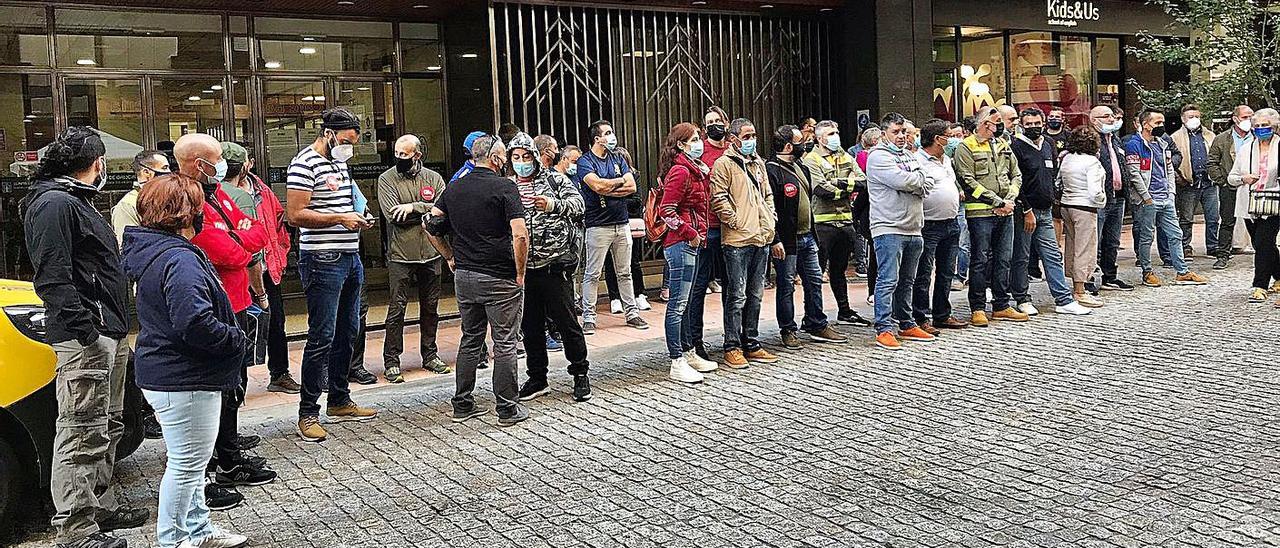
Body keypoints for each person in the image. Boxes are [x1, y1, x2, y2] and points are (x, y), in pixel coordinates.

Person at [22, 127, 148, 548]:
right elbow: (53, 277)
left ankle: (99, 508)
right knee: (80, 429)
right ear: (94, 163)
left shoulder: (73, 200)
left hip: (107, 331)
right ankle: (76, 530)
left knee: (106, 425)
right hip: (88, 338)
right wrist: (86, 332)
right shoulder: (55, 204)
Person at [120, 174, 251, 548]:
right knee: (188, 464)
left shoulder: (156, 252)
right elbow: (193, 321)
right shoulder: (179, 259)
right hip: (185, 378)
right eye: (198, 207)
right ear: (185, 213)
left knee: (190, 460)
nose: (204, 214)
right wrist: (235, 340)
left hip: (171, 374)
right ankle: (175, 539)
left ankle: (198, 530)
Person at [175, 135, 277, 500]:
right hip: (215, 305)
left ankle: (229, 458)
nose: (222, 166)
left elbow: (257, 233)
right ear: (198, 163)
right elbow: (229, 252)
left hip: (237, 301)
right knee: (213, 389)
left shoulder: (215, 192)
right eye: (216, 160)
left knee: (234, 385)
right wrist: (240, 237)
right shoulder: (184, 198)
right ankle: (216, 468)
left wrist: (240, 235)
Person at [285, 107, 380, 443]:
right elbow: (295, 214)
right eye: (344, 141)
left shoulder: (338, 163)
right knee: (321, 335)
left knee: (349, 330)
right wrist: (340, 219)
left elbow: (345, 199)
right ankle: (308, 411)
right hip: (322, 258)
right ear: (327, 133)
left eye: (352, 143)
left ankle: (339, 400)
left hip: (350, 255)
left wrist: (358, 214)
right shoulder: (303, 163)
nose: (348, 148)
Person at [424, 134, 531, 426]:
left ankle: (462, 403)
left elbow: (431, 226)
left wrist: (448, 256)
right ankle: (508, 408)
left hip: (465, 276)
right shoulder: (505, 187)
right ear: (496, 159)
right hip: (499, 276)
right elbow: (520, 234)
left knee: (470, 339)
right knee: (505, 341)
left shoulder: (454, 187)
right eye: (505, 157)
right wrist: (520, 271)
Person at [502, 133, 593, 402]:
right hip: (524, 269)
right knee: (530, 327)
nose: (521, 163)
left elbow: (579, 205)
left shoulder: (554, 180)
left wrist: (553, 205)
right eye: (516, 158)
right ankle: (537, 377)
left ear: (535, 157)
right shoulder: (507, 186)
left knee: (566, 323)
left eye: (526, 157)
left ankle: (580, 373)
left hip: (555, 266)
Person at [221, 147, 297, 394]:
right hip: (238, 271)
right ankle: (236, 385)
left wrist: (281, 253)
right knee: (237, 326)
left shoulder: (262, 189)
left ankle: (280, 373)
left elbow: (279, 222)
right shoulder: (219, 195)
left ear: (250, 164)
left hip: (267, 268)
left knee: (276, 322)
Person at [376, 134, 450, 383]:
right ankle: (391, 360)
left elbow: (444, 209)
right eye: (396, 154)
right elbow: (391, 215)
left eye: (404, 155)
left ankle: (430, 355)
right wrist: (425, 211)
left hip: (431, 252)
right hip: (401, 254)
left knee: (431, 308)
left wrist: (412, 207)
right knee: (397, 308)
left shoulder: (434, 178)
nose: (399, 158)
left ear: (417, 155)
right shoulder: (386, 179)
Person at [768, 124, 847, 349]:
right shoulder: (772, 170)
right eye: (800, 141)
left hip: (807, 235)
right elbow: (770, 207)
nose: (805, 144)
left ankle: (816, 322)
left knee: (814, 281)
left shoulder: (800, 166)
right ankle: (788, 329)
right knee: (786, 286)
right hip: (787, 239)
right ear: (787, 146)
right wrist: (775, 238)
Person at [710, 117, 780, 368]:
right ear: (733, 139)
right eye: (747, 136)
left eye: (753, 135)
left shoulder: (758, 162)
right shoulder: (724, 164)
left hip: (761, 236)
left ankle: (751, 341)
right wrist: (736, 221)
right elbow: (718, 198)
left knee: (756, 294)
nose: (752, 140)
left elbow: (767, 194)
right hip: (737, 240)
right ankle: (732, 345)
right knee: (736, 295)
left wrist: (770, 218)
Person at [1008, 108, 1092, 316]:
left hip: (1046, 209)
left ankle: (1063, 299)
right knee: (1022, 256)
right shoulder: (1015, 146)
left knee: (1052, 255)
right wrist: (1026, 208)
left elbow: (1053, 172)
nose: (1034, 127)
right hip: (1025, 210)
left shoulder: (1048, 144)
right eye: (1029, 124)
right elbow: (1015, 181)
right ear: (1021, 124)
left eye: (1037, 123)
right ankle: (1022, 297)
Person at [865, 113, 934, 350]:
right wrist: (917, 182)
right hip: (889, 226)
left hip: (914, 226)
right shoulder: (877, 157)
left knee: (908, 280)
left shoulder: (909, 155)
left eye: (904, 131)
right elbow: (902, 181)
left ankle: (906, 323)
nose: (902, 136)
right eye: (896, 132)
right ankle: (884, 328)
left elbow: (928, 180)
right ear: (884, 133)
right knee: (888, 279)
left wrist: (916, 182)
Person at [656, 123, 719, 383]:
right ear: (681, 145)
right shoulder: (681, 171)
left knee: (687, 301)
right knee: (678, 305)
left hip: (691, 243)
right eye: (693, 139)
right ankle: (676, 359)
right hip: (681, 244)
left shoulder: (697, 171)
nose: (699, 143)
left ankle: (688, 351)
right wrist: (691, 233)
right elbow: (666, 211)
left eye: (699, 138)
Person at [954, 106, 1028, 326]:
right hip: (980, 213)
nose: (1002, 126)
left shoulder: (1003, 145)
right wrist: (998, 202)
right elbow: (968, 182)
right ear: (986, 123)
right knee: (980, 260)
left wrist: (1011, 199)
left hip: (1006, 211)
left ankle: (1001, 305)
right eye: (998, 122)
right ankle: (977, 307)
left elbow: (1016, 174)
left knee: (1004, 259)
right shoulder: (965, 147)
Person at [577, 120, 648, 333]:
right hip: (598, 225)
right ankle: (589, 317)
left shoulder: (617, 158)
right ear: (597, 138)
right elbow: (595, 185)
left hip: (622, 222)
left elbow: (631, 185)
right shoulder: (585, 161)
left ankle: (632, 313)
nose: (611, 136)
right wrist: (616, 184)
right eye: (607, 133)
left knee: (625, 271)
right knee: (592, 273)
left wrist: (607, 188)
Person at [1125, 108, 1209, 287]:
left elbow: (1169, 169)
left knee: (1175, 234)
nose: (1161, 126)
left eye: (1162, 122)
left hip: (1165, 197)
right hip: (1148, 199)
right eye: (1157, 123)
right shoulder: (1134, 144)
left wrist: (1171, 193)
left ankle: (1182, 272)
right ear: (1145, 124)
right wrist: (1146, 198)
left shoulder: (1162, 143)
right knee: (1147, 236)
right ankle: (1147, 272)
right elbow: (1134, 174)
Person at [804, 120, 871, 326]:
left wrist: (838, 183)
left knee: (839, 270)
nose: (835, 136)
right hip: (822, 224)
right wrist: (847, 188)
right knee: (816, 273)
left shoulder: (844, 155)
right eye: (831, 133)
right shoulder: (811, 159)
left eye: (836, 132)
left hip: (845, 221)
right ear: (819, 138)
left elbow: (863, 181)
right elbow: (821, 191)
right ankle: (813, 317)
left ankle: (844, 310)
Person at [682, 108, 730, 361]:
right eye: (709, 123)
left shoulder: (733, 151)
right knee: (698, 287)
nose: (714, 126)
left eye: (718, 122)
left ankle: (733, 339)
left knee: (733, 287)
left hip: (731, 229)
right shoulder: (698, 156)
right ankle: (695, 342)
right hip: (706, 228)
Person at [913, 119, 969, 332]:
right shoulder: (917, 160)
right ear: (938, 139)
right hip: (928, 224)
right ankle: (921, 316)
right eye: (949, 135)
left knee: (946, 271)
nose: (953, 139)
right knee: (924, 273)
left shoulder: (946, 159)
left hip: (951, 222)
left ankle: (942, 313)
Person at [1228, 108, 1280, 303]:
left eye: (1265, 126)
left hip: (1273, 204)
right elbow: (1231, 178)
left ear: (1274, 126)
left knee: (1264, 243)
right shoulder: (1246, 149)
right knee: (1262, 244)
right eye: (1257, 126)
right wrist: (1244, 178)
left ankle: (1259, 285)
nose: (1260, 129)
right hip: (1249, 205)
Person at [1089, 105, 1139, 292]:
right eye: (1106, 116)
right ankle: (1088, 278)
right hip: (1100, 199)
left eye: (1112, 116)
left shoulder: (1116, 141)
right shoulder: (1090, 141)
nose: (1112, 119)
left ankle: (1110, 276)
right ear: (1094, 120)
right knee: (1094, 240)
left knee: (1112, 240)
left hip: (1118, 197)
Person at [1057, 127, 1107, 308]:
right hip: (1085, 206)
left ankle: (1073, 283)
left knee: (1072, 245)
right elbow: (1095, 191)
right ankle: (1080, 290)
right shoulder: (1092, 162)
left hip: (1067, 205)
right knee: (1085, 248)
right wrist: (1102, 201)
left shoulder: (1067, 158)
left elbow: (1059, 181)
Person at [1171, 104, 1220, 260]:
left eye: (1197, 117)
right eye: (1190, 117)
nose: (1194, 120)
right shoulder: (1175, 137)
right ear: (1183, 119)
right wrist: (1179, 177)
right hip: (1188, 183)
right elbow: (1172, 159)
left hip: (1208, 182)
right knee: (1186, 218)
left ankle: (1213, 246)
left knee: (1212, 217)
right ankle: (1185, 247)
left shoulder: (1210, 135)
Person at [1210, 105, 1256, 270]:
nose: (1249, 120)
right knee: (1228, 221)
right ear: (1235, 118)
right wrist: (1222, 181)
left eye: (1251, 116)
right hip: (1230, 186)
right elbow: (1212, 162)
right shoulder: (1222, 139)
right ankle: (1222, 255)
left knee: (1255, 221)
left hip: (1253, 187)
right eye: (1245, 117)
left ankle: (1263, 254)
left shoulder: (1257, 137)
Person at [112, 150, 170, 245]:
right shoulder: (127, 205)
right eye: (164, 168)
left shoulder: (165, 198)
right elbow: (127, 245)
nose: (169, 172)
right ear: (146, 172)